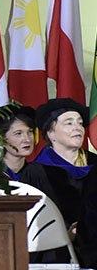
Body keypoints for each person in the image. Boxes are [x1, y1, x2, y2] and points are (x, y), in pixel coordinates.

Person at [20, 98, 94, 235]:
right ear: (51, 133)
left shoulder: (93, 164)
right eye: (69, 123)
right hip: (55, 249)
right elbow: (31, 222)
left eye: (80, 123)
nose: (78, 128)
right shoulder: (37, 173)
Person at [0, 104, 36, 180]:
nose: (27, 140)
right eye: (18, 133)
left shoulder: (38, 175)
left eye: (30, 132)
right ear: (1, 139)